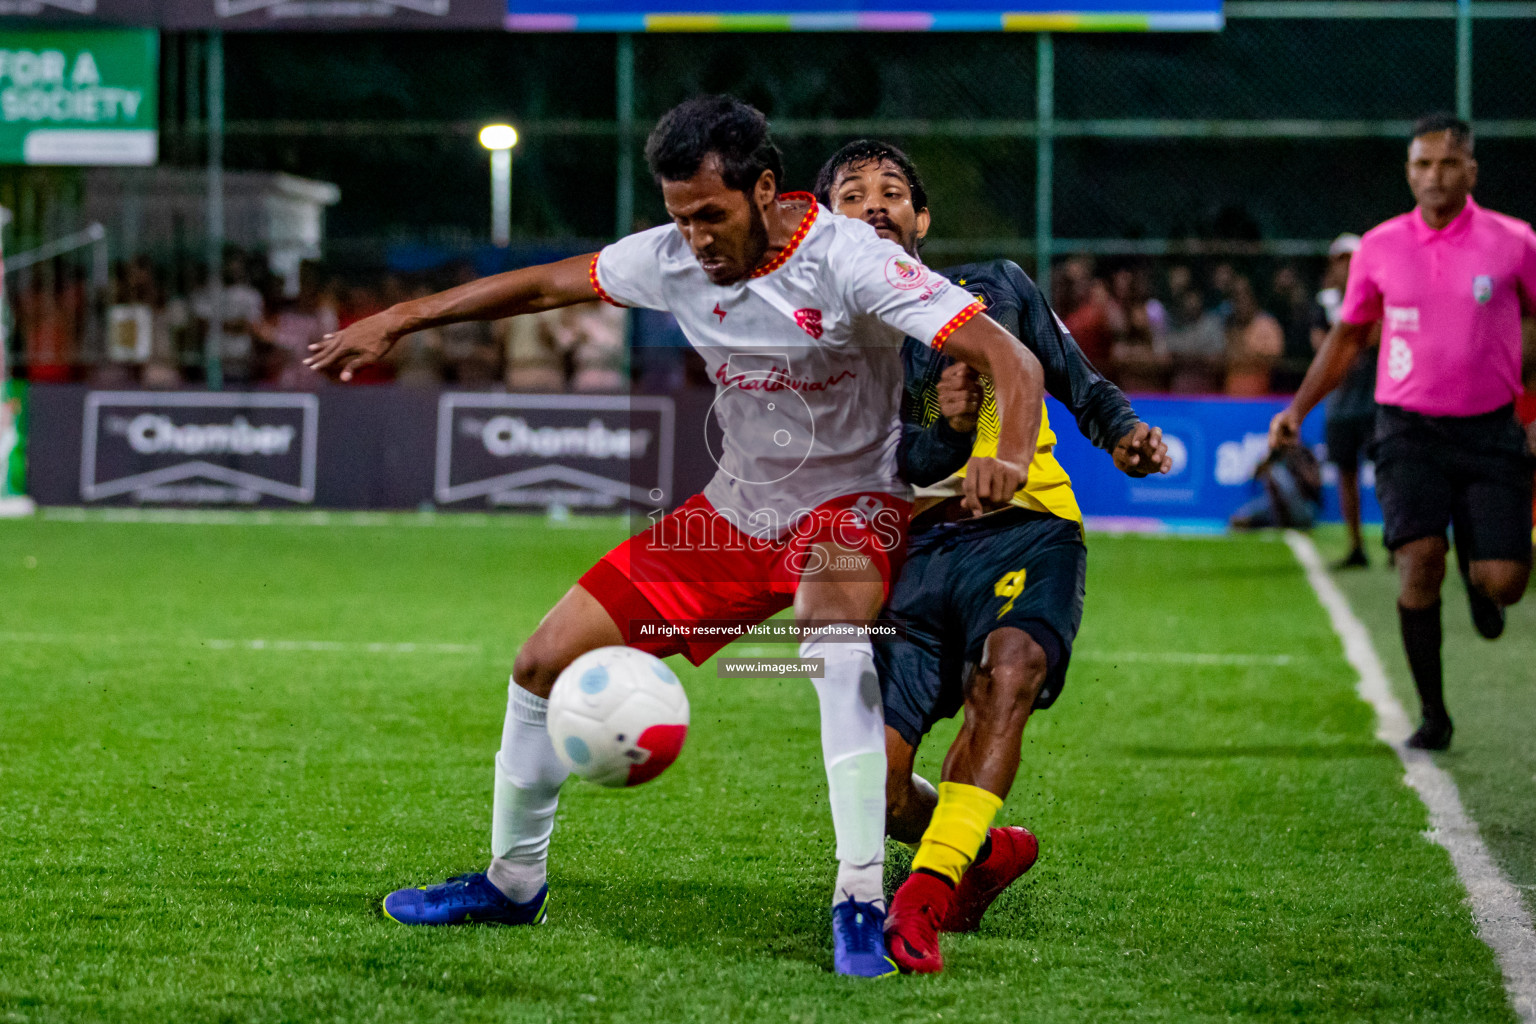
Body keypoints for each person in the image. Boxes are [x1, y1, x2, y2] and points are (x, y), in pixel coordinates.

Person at [306, 95, 1043, 978]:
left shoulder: (850, 261)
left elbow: (1013, 357)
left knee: (830, 635)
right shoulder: (671, 257)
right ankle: (512, 882)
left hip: (852, 502)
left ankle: (857, 898)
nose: (693, 239)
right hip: (733, 512)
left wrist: (1002, 450)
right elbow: (542, 284)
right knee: (542, 661)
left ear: (766, 190)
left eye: (710, 216)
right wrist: (401, 318)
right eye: (679, 218)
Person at [813, 139, 1171, 974]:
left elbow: (1075, 379)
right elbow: (889, 468)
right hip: (918, 553)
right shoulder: (838, 347)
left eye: (892, 191)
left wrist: (1123, 436)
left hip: (1030, 528)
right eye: (853, 194)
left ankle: (922, 901)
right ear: (827, 227)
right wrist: (942, 427)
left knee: (1008, 674)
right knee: (884, 785)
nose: (875, 204)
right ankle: (974, 853)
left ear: (921, 219)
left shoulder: (993, 289)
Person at [1271, 113, 1536, 752]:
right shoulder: (1380, 247)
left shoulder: (1516, 241)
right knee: (1418, 563)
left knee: (1504, 582)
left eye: (1447, 164)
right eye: (1421, 165)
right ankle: (1434, 714)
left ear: (1470, 170)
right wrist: (1298, 410)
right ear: (1409, 171)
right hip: (1406, 430)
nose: (1433, 176)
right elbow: (1349, 338)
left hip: (1492, 429)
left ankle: (1480, 573)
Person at [1313, 233, 1378, 568]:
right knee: (1346, 474)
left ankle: (1397, 543)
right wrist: (1350, 343)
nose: (1347, 268)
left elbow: (1374, 338)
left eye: (1351, 260)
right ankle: (1356, 546)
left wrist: (1344, 345)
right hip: (1339, 405)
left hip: (1375, 402)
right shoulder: (1324, 303)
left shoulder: (1376, 297)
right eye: (1340, 261)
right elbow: (1321, 347)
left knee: (1386, 474)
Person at [1223, 275, 1283, 397]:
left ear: (1253, 298)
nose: (1240, 302)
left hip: (1260, 398)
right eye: (1236, 297)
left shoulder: (1267, 324)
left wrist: (1248, 356)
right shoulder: (1228, 325)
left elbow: (1274, 360)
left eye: (1244, 296)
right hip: (1230, 398)